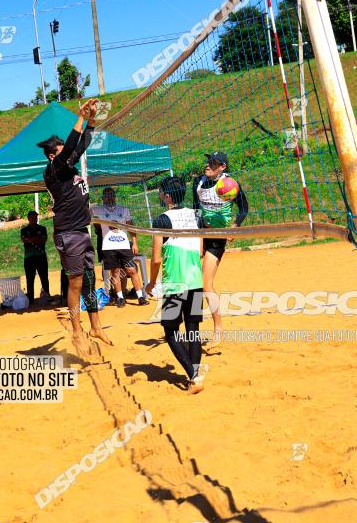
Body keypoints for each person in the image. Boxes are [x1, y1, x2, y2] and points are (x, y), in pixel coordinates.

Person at [37, 99, 111, 354]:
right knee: (76, 283)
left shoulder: (68, 165)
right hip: (68, 233)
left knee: (90, 280)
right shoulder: (53, 170)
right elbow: (71, 145)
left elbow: (83, 143)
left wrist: (91, 119)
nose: (68, 154)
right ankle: (77, 332)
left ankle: (96, 327)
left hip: (82, 230)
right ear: (52, 155)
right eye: (61, 151)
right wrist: (79, 116)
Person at [146, 175, 205, 394]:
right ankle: (195, 374)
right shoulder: (196, 216)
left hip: (175, 283)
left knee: (170, 331)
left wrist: (151, 283)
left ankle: (194, 375)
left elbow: (156, 259)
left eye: (161, 192)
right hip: (195, 281)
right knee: (193, 331)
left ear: (168, 196)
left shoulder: (162, 219)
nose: (159, 195)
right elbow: (200, 252)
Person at [193, 151, 248, 350]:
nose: (208, 165)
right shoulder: (198, 183)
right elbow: (195, 209)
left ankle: (218, 329)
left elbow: (244, 208)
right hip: (201, 234)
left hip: (217, 237)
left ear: (222, 167)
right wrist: (198, 236)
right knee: (191, 281)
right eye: (208, 161)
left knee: (206, 284)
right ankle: (192, 326)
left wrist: (234, 226)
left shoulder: (230, 184)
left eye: (213, 163)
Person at [93, 187, 149, 308]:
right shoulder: (98, 210)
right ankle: (120, 297)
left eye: (111, 195)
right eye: (107, 195)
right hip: (108, 247)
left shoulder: (123, 210)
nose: (109, 197)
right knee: (116, 272)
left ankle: (140, 296)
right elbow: (84, 211)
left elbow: (131, 227)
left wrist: (134, 242)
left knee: (132, 270)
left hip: (123, 245)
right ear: (103, 198)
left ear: (115, 196)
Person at [20, 210, 50, 305]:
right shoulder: (24, 230)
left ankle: (46, 295)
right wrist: (37, 238)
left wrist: (31, 240)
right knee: (30, 278)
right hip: (29, 258)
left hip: (41, 257)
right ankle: (30, 299)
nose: (34, 219)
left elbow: (43, 239)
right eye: (32, 217)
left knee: (44, 277)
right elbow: (25, 240)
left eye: (36, 217)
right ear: (28, 218)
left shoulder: (43, 228)